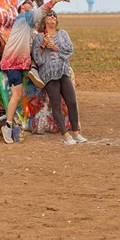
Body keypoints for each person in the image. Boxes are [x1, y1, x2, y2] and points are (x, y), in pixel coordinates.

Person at [0, 0, 69, 144]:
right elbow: (42, 10)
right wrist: (56, 0)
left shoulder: (28, 27)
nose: (31, 4)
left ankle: (33, 70)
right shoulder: (23, 18)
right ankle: (8, 127)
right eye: (28, 2)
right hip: (13, 63)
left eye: (32, 2)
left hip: (20, 63)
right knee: (16, 95)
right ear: (21, 7)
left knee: (17, 94)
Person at [32, 10, 85, 145]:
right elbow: (37, 59)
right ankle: (66, 136)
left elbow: (69, 50)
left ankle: (76, 133)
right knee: (55, 104)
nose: (52, 17)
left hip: (62, 71)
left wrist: (55, 47)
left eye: (54, 16)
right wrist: (43, 45)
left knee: (71, 102)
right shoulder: (39, 37)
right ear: (45, 20)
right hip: (49, 73)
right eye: (50, 15)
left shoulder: (63, 34)